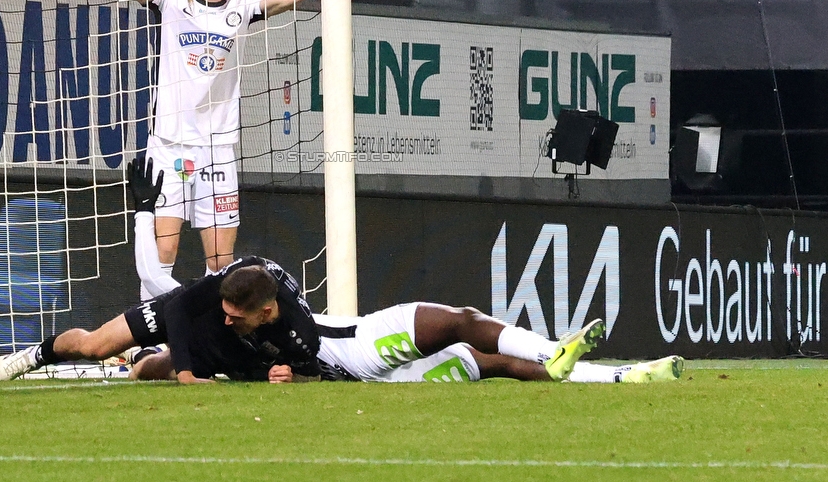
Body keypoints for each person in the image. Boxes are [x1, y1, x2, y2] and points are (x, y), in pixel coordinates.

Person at [124, 156, 684, 386]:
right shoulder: (225, 345)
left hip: (364, 364)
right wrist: (153, 367)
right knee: (470, 337)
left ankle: (622, 376)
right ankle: (566, 356)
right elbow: (159, 355)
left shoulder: (220, 321)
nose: (223, 321)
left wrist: (144, 209)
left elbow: (157, 284)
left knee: (482, 352)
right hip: (361, 357)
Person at [116, 0, 310, 293]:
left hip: (217, 147)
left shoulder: (243, 2)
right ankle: (149, 340)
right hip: (169, 143)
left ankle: (209, 333)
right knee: (165, 249)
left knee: (221, 260)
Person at [0, 174, 322, 384]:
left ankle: (145, 357)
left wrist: (287, 377)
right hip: (189, 314)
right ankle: (32, 356)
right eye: (226, 309)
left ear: (265, 313)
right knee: (95, 347)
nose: (228, 316)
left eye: (236, 315)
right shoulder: (238, 276)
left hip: (230, 355)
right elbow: (178, 308)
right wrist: (186, 376)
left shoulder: (301, 332)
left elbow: (311, 374)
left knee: (143, 374)